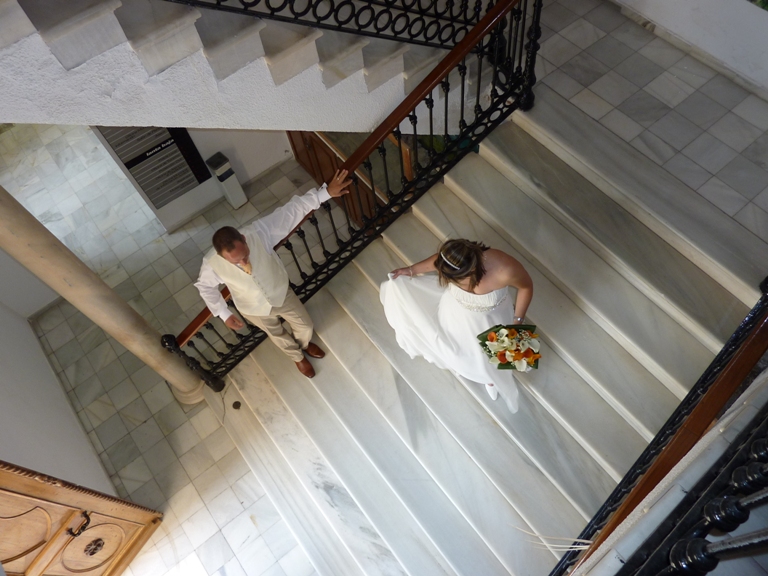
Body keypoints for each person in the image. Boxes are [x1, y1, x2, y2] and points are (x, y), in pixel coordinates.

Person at [195, 169, 352, 378]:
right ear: (221, 256)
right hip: (252, 308)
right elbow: (205, 287)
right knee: (277, 335)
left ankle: (304, 344)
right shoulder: (211, 264)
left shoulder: (259, 232)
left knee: (305, 325)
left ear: (244, 239)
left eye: (244, 255)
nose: (243, 263)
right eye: (235, 261)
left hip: (280, 293)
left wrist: (326, 193)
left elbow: (292, 211)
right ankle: (297, 357)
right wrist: (223, 314)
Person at [381, 238, 533, 410]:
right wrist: (411, 270)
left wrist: (517, 321)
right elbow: (439, 260)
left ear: (472, 269)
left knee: (489, 358)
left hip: (491, 320)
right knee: (459, 348)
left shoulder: (504, 270)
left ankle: (491, 379)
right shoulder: (453, 261)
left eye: (458, 279)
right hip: (456, 312)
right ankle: (477, 373)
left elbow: (526, 287)